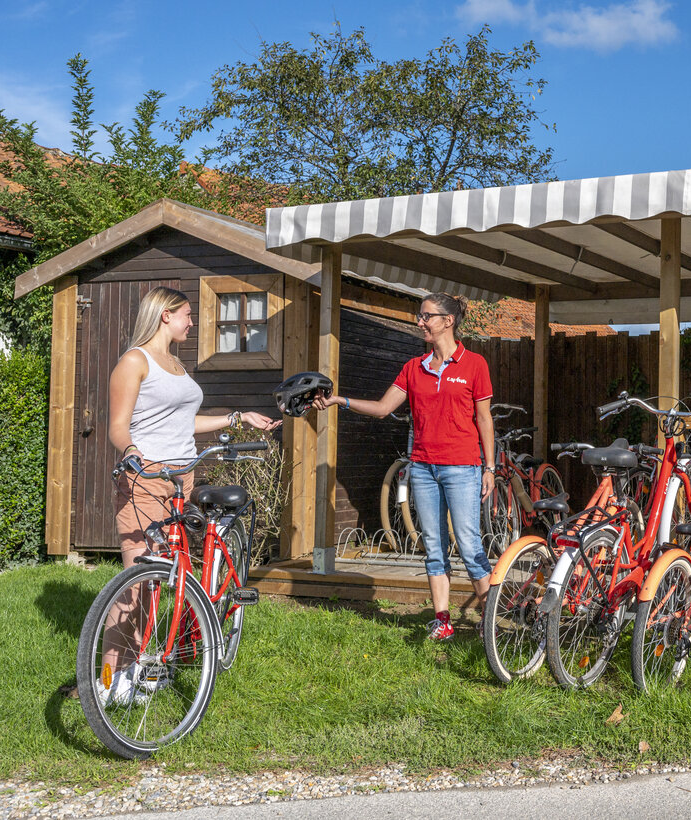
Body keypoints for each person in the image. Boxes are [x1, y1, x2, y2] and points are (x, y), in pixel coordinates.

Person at [105, 286, 279, 703]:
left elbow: (184, 422)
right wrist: (132, 454)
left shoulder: (175, 364)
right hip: (146, 478)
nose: (192, 321)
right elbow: (118, 426)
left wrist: (237, 417)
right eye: (186, 314)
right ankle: (110, 679)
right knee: (137, 583)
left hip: (182, 481)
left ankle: (142, 666)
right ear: (165, 315)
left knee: (165, 578)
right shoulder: (135, 361)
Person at [315, 292, 495, 641]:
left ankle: (489, 621)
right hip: (423, 468)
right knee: (434, 547)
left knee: (470, 545)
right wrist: (339, 400)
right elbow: (383, 408)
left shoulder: (474, 364)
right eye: (420, 315)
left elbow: (484, 419)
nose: (420, 321)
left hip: (462, 468)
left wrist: (490, 467)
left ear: (447, 321)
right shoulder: (414, 368)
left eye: (427, 316)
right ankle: (442, 621)